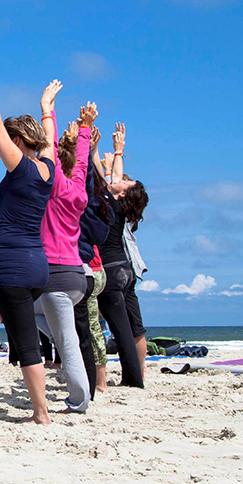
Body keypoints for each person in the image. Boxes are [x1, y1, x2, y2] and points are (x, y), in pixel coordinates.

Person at [0, 73, 58, 425]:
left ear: (16, 141)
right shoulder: (49, 169)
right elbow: (51, 143)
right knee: (23, 331)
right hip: (38, 265)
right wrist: (47, 107)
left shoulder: (22, 167)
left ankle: (41, 413)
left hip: (12, 266)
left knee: (26, 344)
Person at [36, 106, 97, 414]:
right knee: (31, 315)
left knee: (69, 341)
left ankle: (79, 400)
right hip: (77, 276)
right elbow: (82, 161)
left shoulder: (57, 186)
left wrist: (48, 111)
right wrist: (84, 129)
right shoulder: (78, 190)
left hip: (57, 275)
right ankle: (61, 339)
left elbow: (49, 147)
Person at [93, 124, 149, 388]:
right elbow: (113, 180)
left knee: (121, 330)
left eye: (126, 182)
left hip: (113, 273)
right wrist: (117, 150)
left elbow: (103, 178)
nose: (122, 179)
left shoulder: (111, 204)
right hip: (125, 271)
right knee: (129, 327)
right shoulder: (121, 208)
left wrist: (93, 147)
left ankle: (133, 380)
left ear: (124, 192)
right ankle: (136, 376)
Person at [74, 127, 110, 395]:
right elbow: (92, 179)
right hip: (89, 269)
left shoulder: (81, 201)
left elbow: (86, 178)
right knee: (86, 330)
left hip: (87, 268)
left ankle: (97, 384)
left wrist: (85, 146)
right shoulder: (94, 201)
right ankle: (95, 383)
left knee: (86, 331)